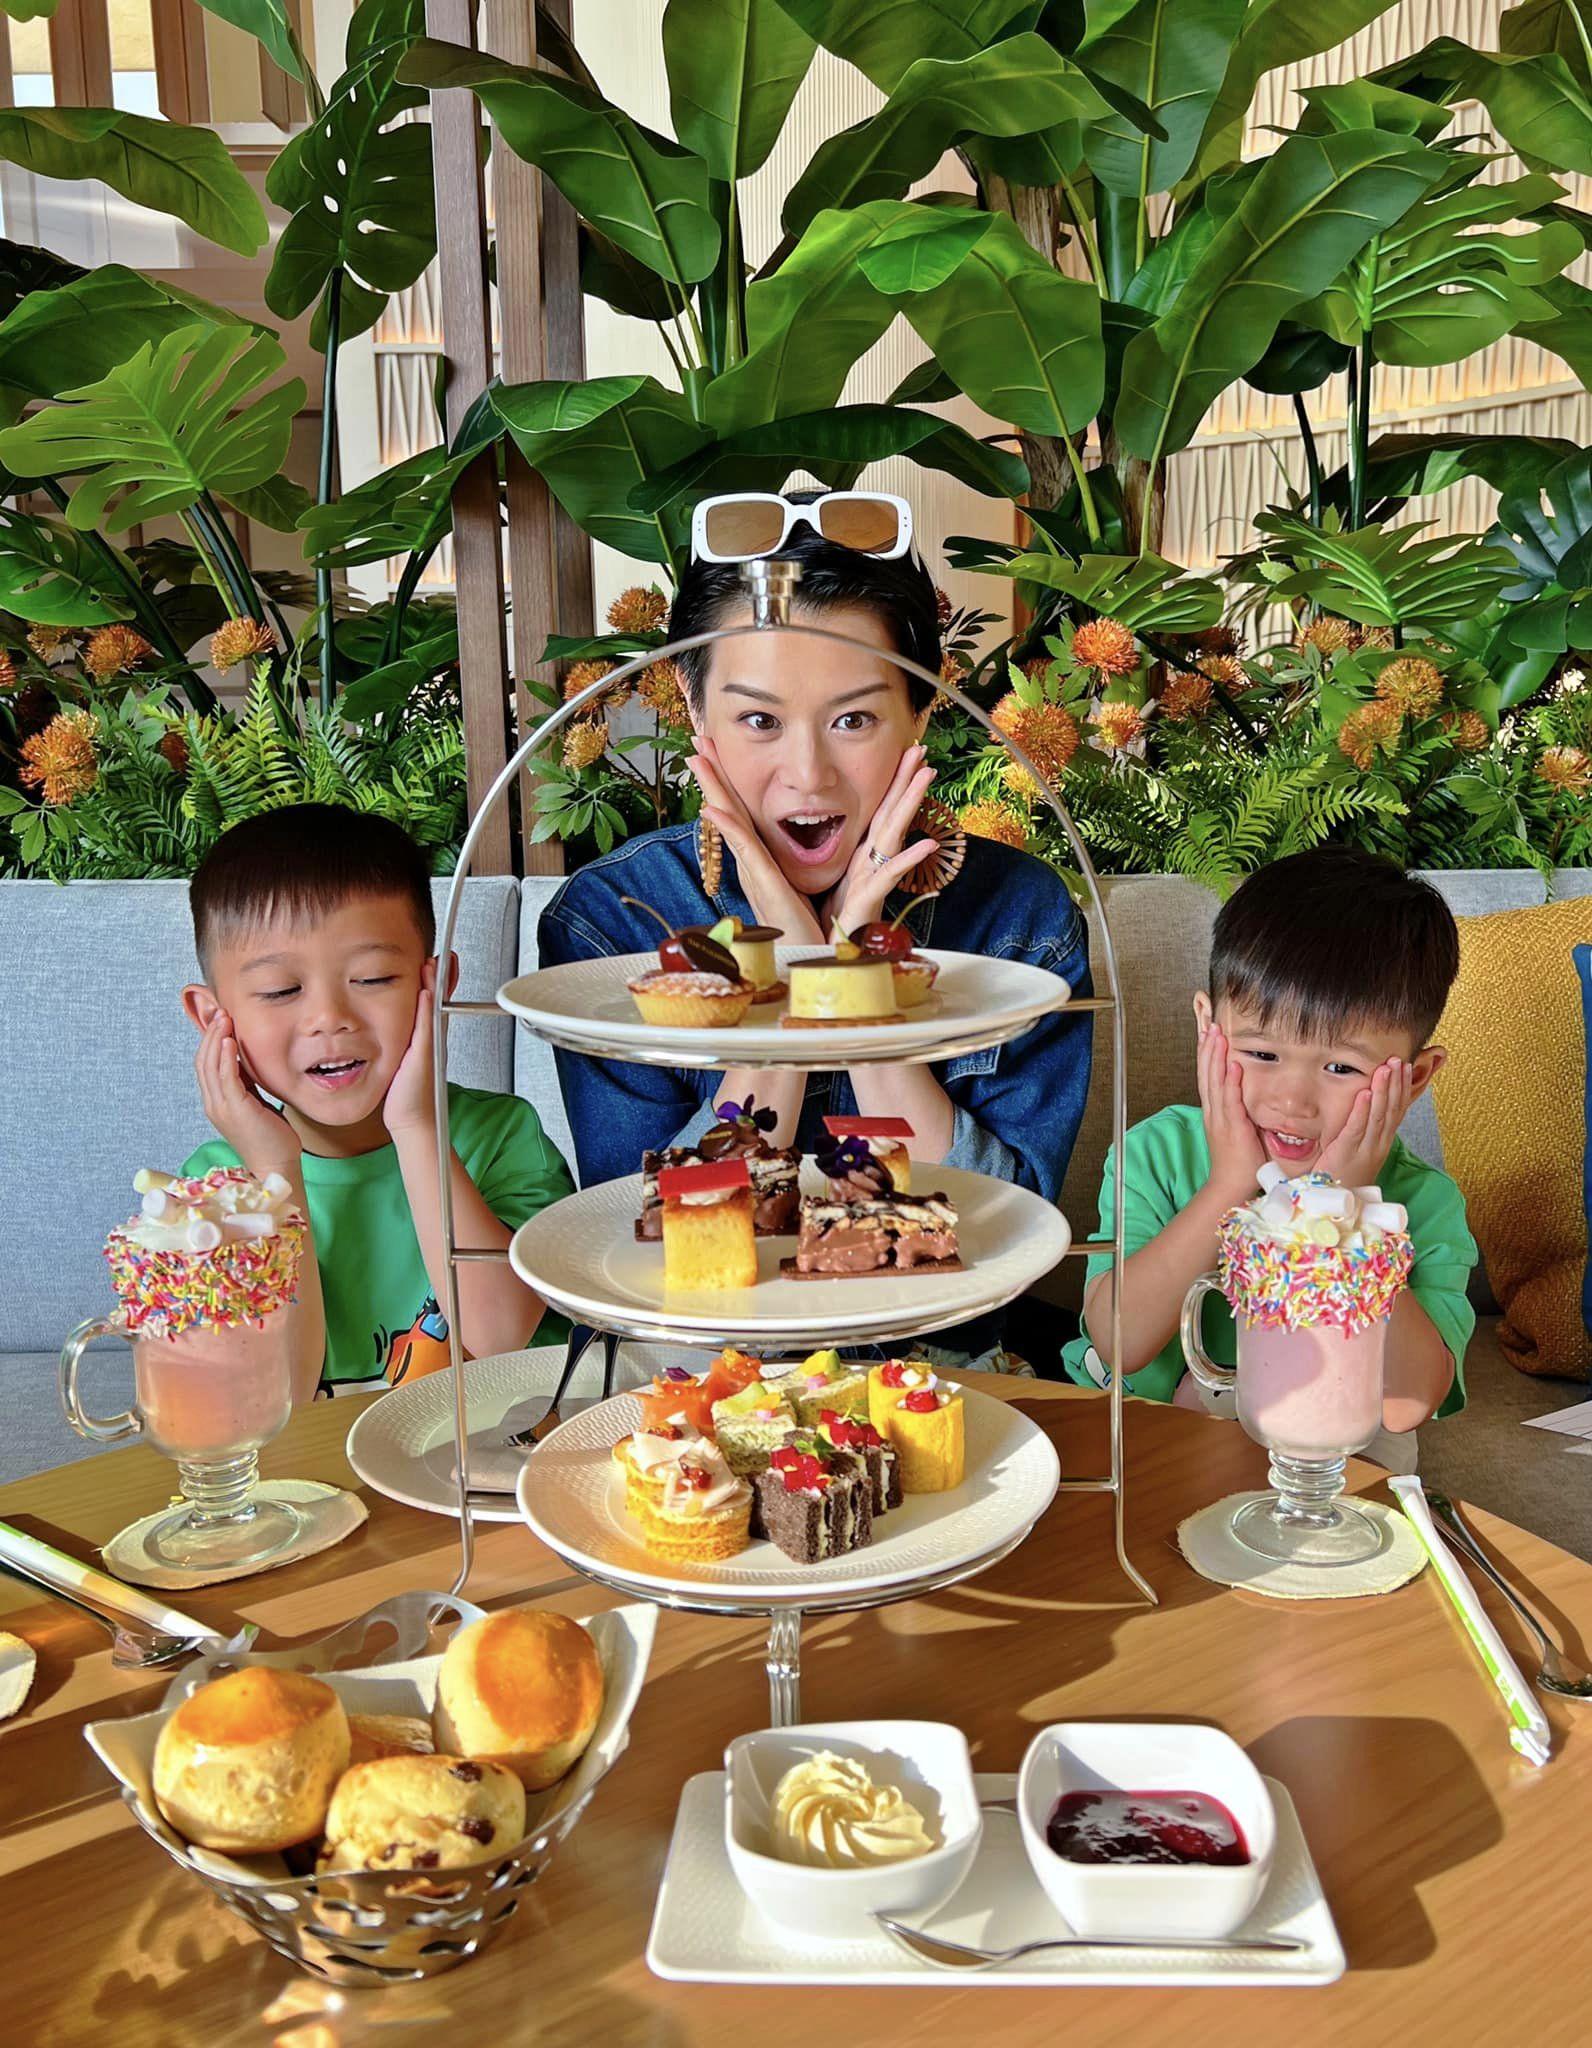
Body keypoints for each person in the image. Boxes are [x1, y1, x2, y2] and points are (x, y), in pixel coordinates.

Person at [538, 492, 1093, 1362]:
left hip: (941, 1375)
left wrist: (849, 974)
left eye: (854, 719)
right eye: (759, 720)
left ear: (922, 708)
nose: (808, 774)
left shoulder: (1022, 922)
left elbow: (994, 1240)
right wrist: (797, 962)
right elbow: (652, 1251)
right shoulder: (611, 921)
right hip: (692, 1377)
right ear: (693, 708)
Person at [1061, 846, 1478, 1444]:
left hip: (1325, 1449)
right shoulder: (1155, 1155)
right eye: (1262, 1053)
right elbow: (1119, 1344)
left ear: (1413, 1079)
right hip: (1145, 1438)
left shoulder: (1423, 1202)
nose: (1292, 1100)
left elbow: (1406, 1405)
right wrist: (1229, 1186)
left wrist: (1339, 1210)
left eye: (1340, 1067)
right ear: (1208, 1030)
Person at [180, 803, 572, 1401]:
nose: (329, 1018)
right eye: (280, 990)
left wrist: (417, 1126)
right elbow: (278, 1394)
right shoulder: (212, 1188)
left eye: (372, 979)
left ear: (435, 986)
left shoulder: (504, 1138)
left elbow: (497, 1337)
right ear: (214, 1018)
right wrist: (274, 1174)